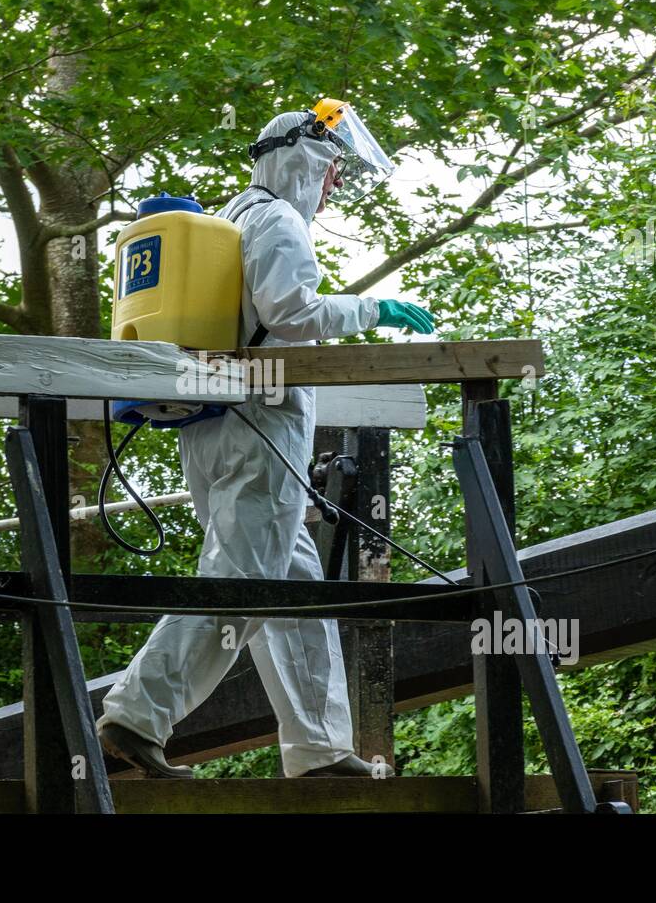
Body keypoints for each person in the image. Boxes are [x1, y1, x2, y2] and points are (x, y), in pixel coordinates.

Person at [96, 101, 436, 778]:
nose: (334, 184)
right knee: (242, 582)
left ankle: (318, 749)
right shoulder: (278, 219)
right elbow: (294, 314)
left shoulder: (231, 217)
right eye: (333, 169)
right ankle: (136, 716)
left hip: (215, 426)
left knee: (294, 593)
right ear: (301, 158)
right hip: (262, 426)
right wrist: (377, 307)